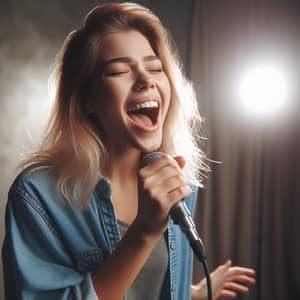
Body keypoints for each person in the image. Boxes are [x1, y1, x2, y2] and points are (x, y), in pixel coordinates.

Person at [2, 2, 255, 300]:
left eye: (155, 67)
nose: (146, 80)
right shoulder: (37, 195)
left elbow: (144, 284)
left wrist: (192, 293)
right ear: (87, 99)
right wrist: (144, 232)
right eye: (120, 71)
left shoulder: (178, 181)